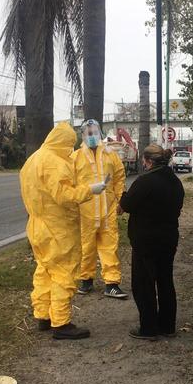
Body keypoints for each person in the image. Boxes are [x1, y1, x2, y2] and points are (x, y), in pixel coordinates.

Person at [20, 122, 106, 340]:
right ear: (64, 142)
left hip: (37, 225)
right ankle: (61, 322)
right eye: (70, 144)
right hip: (58, 228)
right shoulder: (55, 163)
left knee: (44, 270)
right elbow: (64, 195)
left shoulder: (33, 160)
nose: (71, 148)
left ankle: (43, 315)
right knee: (64, 273)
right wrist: (91, 190)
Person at [119, 144, 184, 340]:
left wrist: (122, 192)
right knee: (165, 281)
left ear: (148, 161)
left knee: (143, 283)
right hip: (169, 238)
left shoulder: (144, 182)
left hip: (146, 241)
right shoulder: (175, 182)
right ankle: (167, 326)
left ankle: (148, 328)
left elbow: (126, 206)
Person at [72, 119, 128, 299]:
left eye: (95, 132)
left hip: (108, 209)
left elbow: (119, 178)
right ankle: (86, 280)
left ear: (101, 133)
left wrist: (121, 201)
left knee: (109, 246)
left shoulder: (111, 155)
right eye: (88, 133)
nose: (92, 136)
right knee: (86, 247)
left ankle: (112, 284)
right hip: (85, 211)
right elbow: (69, 185)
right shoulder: (75, 158)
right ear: (82, 135)